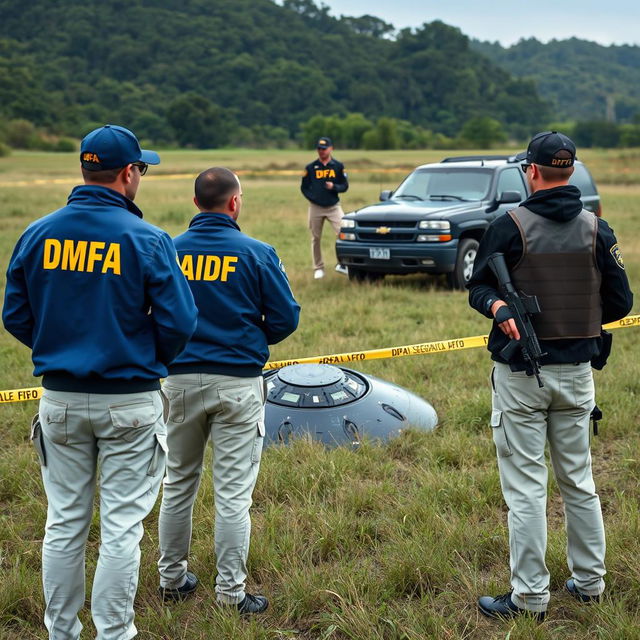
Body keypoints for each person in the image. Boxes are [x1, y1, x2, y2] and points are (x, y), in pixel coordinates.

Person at [2, 124, 198, 639]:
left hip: (60, 400)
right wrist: (140, 355)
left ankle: (60, 632)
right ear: (128, 173)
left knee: (64, 524)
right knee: (121, 529)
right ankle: (115, 632)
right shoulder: (148, 238)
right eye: (142, 170)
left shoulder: (38, 232)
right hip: (130, 401)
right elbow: (180, 322)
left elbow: (16, 315)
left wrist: (61, 350)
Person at [468, 131, 633, 621]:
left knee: (526, 490)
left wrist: (498, 305)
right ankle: (589, 583)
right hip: (578, 373)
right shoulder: (596, 229)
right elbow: (622, 303)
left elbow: (476, 288)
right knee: (579, 483)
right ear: (571, 170)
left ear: (532, 171)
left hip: (521, 377)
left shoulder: (507, 226)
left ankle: (530, 597)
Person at [157, 167, 300, 614]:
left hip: (177, 380)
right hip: (238, 383)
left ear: (196, 203)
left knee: (177, 482)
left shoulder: (168, 250)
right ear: (234, 203)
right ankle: (231, 593)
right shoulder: (257, 253)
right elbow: (285, 319)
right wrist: (249, 333)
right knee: (234, 494)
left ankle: (171, 579)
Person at [301, 136, 349, 279]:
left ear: (330, 149)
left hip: (333, 206)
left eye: (324, 148)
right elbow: (304, 187)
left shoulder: (338, 166)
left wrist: (334, 187)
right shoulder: (310, 167)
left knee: (343, 234)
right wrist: (312, 197)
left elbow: (345, 186)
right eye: (319, 149)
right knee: (315, 238)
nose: (321, 151)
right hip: (316, 207)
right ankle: (318, 268)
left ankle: (343, 263)